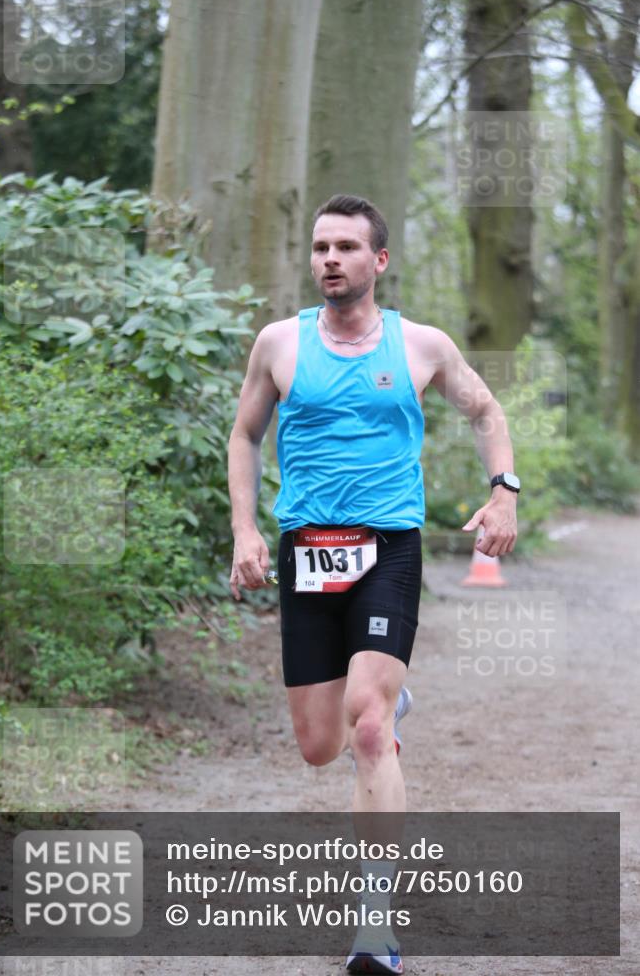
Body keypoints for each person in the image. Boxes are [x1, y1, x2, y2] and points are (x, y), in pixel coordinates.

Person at [227, 194, 519, 975]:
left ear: (377, 262)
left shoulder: (419, 345)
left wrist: (503, 491)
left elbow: (486, 410)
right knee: (319, 746)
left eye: (347, 247)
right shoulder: (279, 344)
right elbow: (245, 434)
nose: (330, 258)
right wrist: (246, 530)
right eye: (321, 246)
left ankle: (374, 923)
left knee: (362, 727)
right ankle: (381, 712)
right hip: (306, 550)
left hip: (389, 547)